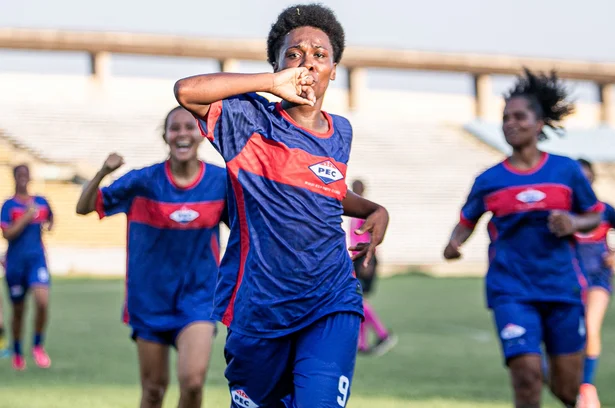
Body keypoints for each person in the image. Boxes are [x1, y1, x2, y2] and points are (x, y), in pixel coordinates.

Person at [174, 4, 389, 407]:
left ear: (334, 70)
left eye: (320, 55)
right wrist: (272, 84)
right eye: (294, 54)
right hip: (259, 310)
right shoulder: (247, 119)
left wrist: (372, 209)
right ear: (276, 64)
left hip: (331, 299)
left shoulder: (340, 131)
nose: (308, 64)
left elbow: (322, 188)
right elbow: (186, 91)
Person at [443, 68, 604, 408]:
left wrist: (573, 222)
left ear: (540, 123)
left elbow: (595, 215)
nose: (510, 124)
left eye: (519, 116)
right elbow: (466, 220)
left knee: (566, 388)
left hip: (562, 288)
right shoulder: (489, 179)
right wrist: (455, 243)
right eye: (505, 118)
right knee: (527, 376)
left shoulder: (567, 171)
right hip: (511, 289)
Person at [76, 106, 227, 408]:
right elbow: (84, 207)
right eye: (175, 128)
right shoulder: (142, 181)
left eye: (189, 127)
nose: (182, 134)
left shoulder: (221, 181)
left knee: (194, 383)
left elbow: (245, 230)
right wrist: (104, 171)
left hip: (197, 300)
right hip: (149, 301)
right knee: (154, 391)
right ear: (165, 136)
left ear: (201, 134)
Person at [1, 164, 54, 371]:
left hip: (36, 260)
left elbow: (51, 219)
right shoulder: (8, 206)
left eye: (26, 174)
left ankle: (38, 346)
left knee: (42, 302)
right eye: (19, 175)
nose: (23, 178)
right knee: (18, 310)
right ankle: (16, 352)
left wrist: (48, 225)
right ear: (14, 177)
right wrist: (26, 217)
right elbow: (7, 234)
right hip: (15, 264)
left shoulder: (41, 201)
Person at [574, 158, 615, 408]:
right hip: (566, 279)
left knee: (590, 327)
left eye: (587, 177)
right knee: (564, 334)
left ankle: (586, 387)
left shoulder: (604, 210)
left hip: (597, 278)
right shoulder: (563, 212)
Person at [349, 179, 396, 356]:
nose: (355, 190)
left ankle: (383, 334)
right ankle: (362, 344)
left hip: (365, 257)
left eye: (358, 188)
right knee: (359, 299)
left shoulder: (366, 212)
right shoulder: (355, 211)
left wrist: (368, 260)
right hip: (357, 257)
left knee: (360, 300)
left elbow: (372, 235)